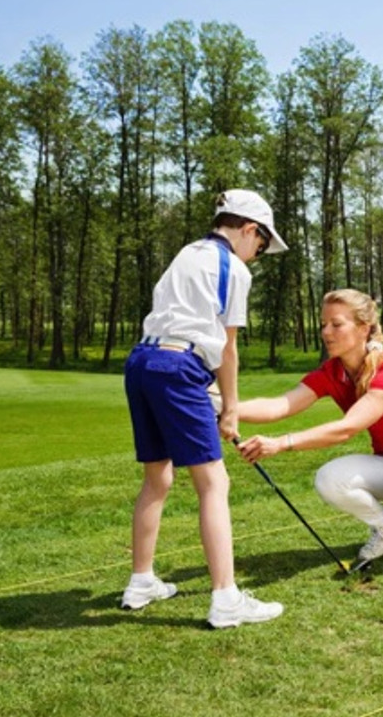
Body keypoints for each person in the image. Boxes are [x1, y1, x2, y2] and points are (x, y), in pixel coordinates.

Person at [121, 189, 289, 629]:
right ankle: (226, 599)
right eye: (261, 245)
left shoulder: (187, 253)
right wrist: (230, 408)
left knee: (158, 476)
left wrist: (204, 390)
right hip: (179, 366)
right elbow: (227, 347)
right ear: (249, 230)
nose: (258, 255)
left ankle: (141, 582)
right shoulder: (232, 267)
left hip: (143, 362)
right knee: (214, 481)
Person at [236, 288, 383, 568]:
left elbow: (348, 428)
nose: (326, 332)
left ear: (363, 328)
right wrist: (224, 410)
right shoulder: (331, 373)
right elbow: (280, 405)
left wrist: (281, 443)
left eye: (337, 324)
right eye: (323, 324)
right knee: (329, 479)